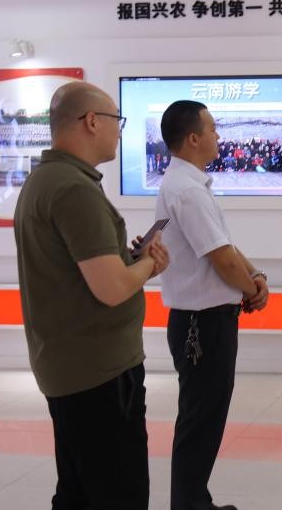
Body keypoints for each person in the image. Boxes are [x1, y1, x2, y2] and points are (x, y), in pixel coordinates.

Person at [13, 81, 169, 510]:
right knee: (118, 493)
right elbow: (112, 288)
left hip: (68, 367)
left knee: (79, 491)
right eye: (117, 120)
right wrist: (149, 264)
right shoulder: (75, 190)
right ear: (91, 121)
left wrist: (128, 260)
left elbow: (82, 271)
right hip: (99, 374)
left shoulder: (46, 180)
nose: (119, 130)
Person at [156, 100, 270, 510]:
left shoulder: (190, 185)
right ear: (193, 138)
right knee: (199, 423)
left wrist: (255, 275)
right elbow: (221, 258)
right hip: (201, 325)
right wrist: (252, 290)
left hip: (202, 322)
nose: (218, 136)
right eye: (213, 129)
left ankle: (194, 501)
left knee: (202, 419)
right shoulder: (187, 191)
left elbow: (225, 246)